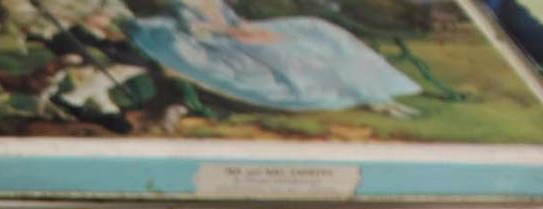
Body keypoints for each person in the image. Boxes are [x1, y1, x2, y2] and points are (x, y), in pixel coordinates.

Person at [120, 0, 420, 114]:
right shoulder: (182, 4)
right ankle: (366, 94)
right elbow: (199, 30)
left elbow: (232, 19)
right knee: (286, 53)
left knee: (315, 30)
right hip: (221, 42)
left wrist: (249, 29)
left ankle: (375, 90)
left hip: (239, 32)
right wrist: (240, 33)